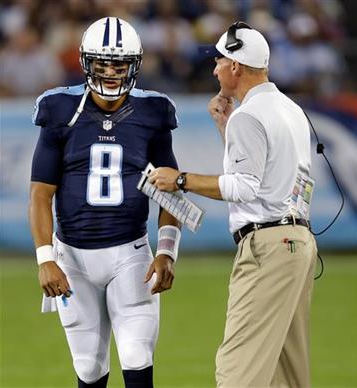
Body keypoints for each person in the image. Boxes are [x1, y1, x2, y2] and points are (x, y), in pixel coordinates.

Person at [150, 21, 318, 388]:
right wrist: (226, 125)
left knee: (237, 370)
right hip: (298, 241)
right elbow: (276, 175)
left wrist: (181, 180)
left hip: (268, 246)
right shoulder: (291, 109)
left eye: (219, 61)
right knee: (286, 373)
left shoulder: (250, 115)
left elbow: (244, 186)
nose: (214, 69)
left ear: (236, 67)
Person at [28, 17, 181, 388]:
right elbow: (40, 193)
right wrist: (45, 260)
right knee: (89, 369)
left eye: (120, 64)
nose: (111, 72)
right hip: (73, 258)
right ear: (86, 63)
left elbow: (170, 187)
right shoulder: (60, 108)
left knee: (137, 359)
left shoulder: (154, 112)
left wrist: (167, 251)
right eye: (102, 63)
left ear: (135, 66)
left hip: (130, 254)